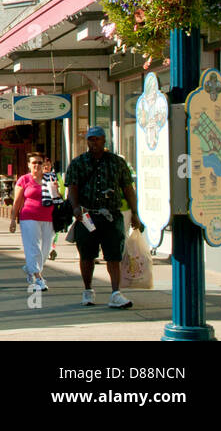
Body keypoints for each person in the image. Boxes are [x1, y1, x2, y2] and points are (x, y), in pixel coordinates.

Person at [66, 126, 144, 309]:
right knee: (87, 255)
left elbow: (128, 188)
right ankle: (88, 290)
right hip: (87, 216)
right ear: (87, 142)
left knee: (113, 255)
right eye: (91, 139)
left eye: (97, 139)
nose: (94, 142)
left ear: (104, 140)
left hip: (111, 215)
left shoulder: (116, 162)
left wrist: (135, 212)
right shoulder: (78, 163)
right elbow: (73, 188)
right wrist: (76, 208)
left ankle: (116, 293)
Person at [9, 153, 54, 291]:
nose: (37, 165)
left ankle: (30, 267)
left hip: (49, 217)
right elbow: (17, 202)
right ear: (29, 164)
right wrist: (12, 219)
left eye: (39, 163)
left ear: (44, 164)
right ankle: (37, 278)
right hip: (29, 217)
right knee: (33, 248)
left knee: (45, 250)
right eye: (34, 162)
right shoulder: (24, 180)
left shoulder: (50, 178)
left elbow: (57, 197)